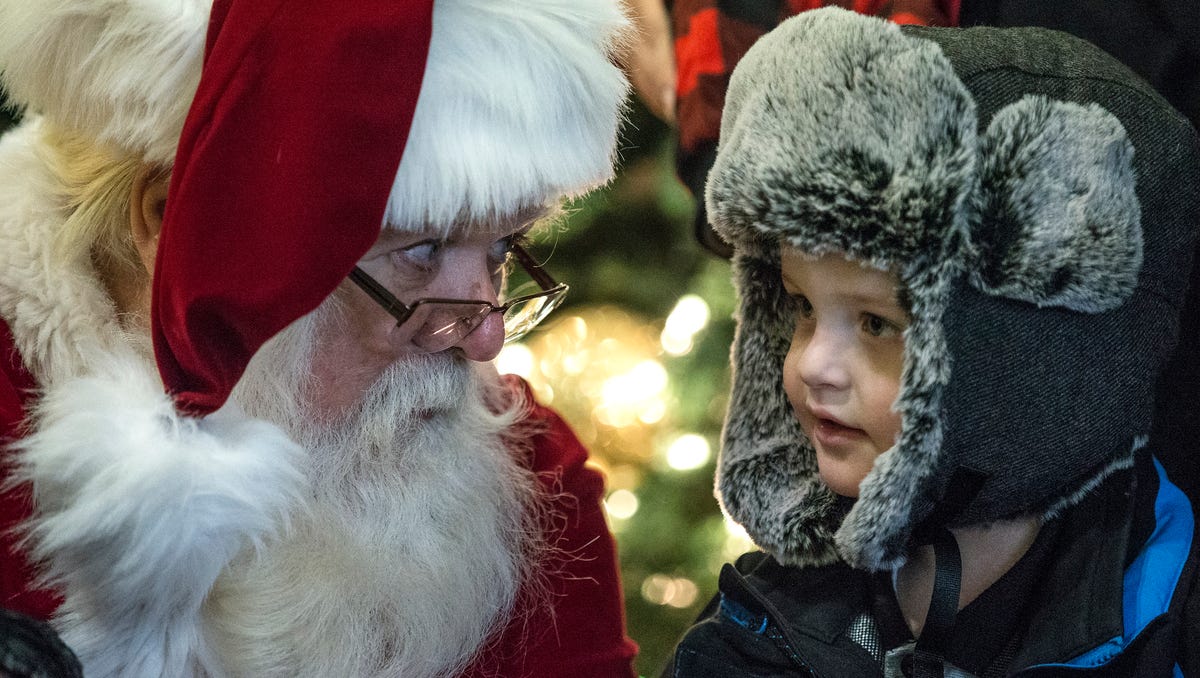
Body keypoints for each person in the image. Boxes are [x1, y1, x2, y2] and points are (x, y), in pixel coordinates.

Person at [0, 0, 638, 676]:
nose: (485, 336)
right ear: (182, 227)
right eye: (421, 249)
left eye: (505, 244)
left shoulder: (537, 479)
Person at [667, 8, 1200, 676]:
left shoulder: (1164, 623)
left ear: (1023, 357)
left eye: (876, 324)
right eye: (800, 306)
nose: (810, 366)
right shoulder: (749, 628)